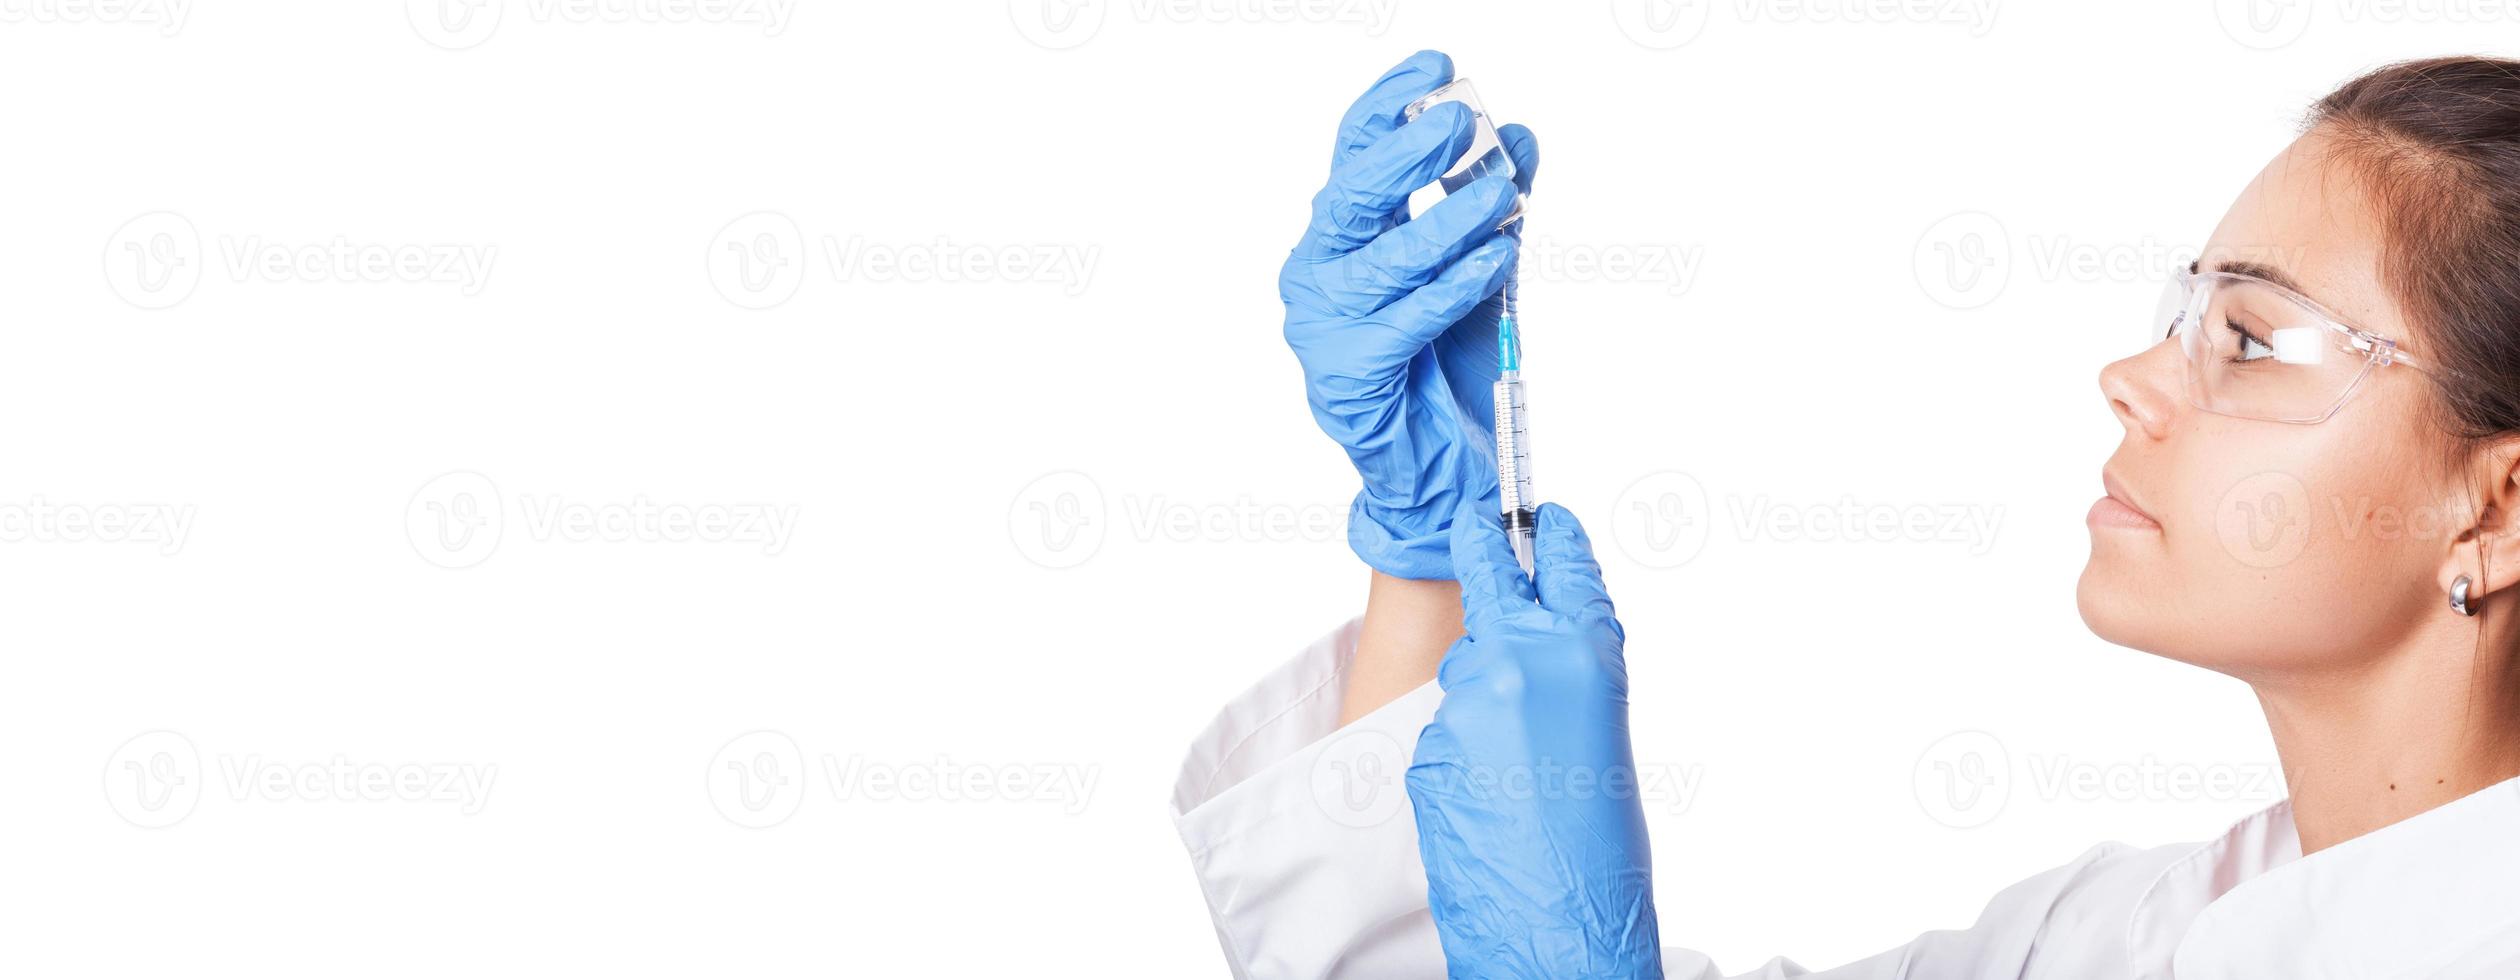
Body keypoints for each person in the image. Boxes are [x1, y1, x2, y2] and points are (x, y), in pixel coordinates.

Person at [1169, 49, 2520, 978]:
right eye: (2180, 313)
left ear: (2498, 510)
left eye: (2253, 338)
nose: (2131, 379)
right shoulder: (2134, 934)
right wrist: (1437, 541)